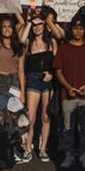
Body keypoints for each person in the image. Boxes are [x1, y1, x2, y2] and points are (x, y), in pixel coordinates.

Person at [53, 16, 85, 168]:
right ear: (70, 29)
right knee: (68, 127)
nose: (78, 32)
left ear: (84, 30)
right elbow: (58, 71)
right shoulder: (63, 48)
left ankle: (84, 154)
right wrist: (68, 87)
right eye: (75, 28)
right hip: (68, 95)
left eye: (81, 29)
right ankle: (69, 154)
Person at [19, 11, 58, 162]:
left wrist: (52, 74)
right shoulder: (27, 44)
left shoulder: (51, 42)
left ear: (44, 25)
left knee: (46, 116)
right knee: (31, 117)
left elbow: (57, 62)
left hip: (47, 79)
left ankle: (43, 148)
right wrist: (29, 21)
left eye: (39, 24)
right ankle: (28, 148)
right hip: (33, 79)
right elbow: (22, 39)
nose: (36, 28)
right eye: (34, 25)